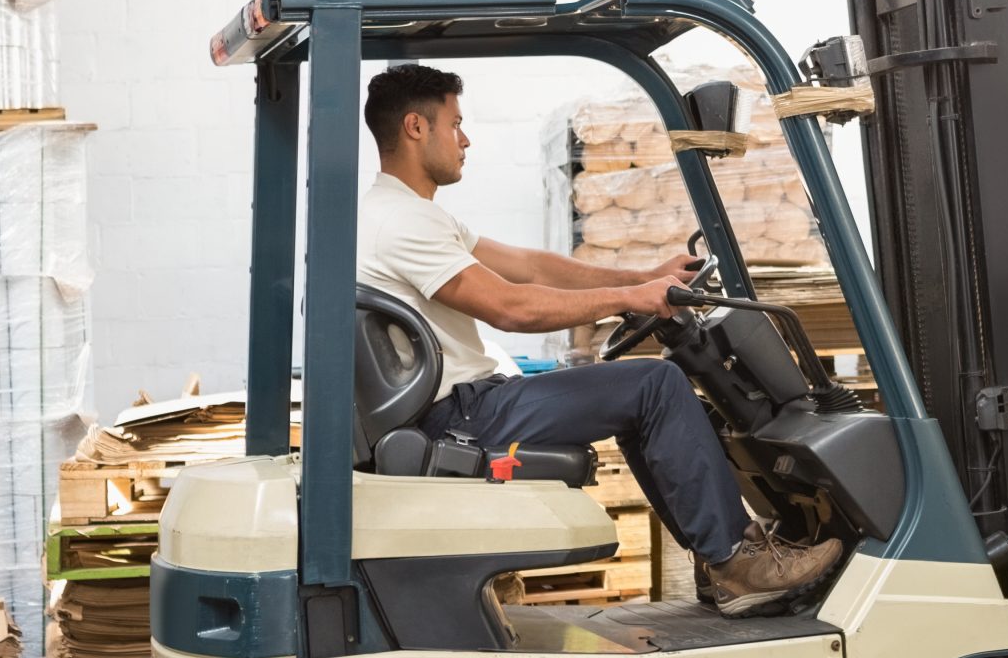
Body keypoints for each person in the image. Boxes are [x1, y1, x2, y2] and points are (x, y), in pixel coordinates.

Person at [353, 62, 843, 616]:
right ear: (417, 128)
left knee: (639, 397)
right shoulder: (401, 223)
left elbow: (527, 267)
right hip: (460, 417)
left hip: (460, 406)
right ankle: (733, 560)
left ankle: (721, 564)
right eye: (455, 124)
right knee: (655, 384)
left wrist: (641, 278)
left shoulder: (405, 215)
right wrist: (630, 299)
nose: (465, 140)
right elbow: (510, 306)